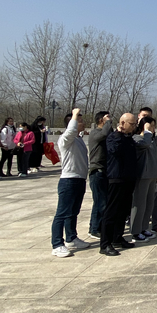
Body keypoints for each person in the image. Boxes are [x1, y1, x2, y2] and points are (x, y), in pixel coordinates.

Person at [51, 108, 91, 258]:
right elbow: (71, 131)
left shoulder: (78, 139)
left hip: (80, 179)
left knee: (73, 212)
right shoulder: (65, 139)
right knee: (62, 213)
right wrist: (74, 114)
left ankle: (71, 238)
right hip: (68, 180)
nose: (83, 123)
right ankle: (57, 244)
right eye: (80, 121)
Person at [100, 113, 139, 256]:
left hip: (128, 179)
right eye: (132, 124)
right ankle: (105, 244)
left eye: (135, 124)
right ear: (122, 123)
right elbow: (114, 151)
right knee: (111, 212)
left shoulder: (128, 139)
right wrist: (118, 133)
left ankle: (117, 237)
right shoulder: (113, 137)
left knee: (123, 211)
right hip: (116, 178)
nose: (134, 127)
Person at [131, 115, 157, 242]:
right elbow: (145, 144)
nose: (153, 128)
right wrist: (147, 131)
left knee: (149, 204)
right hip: (142, 176)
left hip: (152, 175)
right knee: (139, 204)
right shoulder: (138, 139)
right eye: (151, 126)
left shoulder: (150, 140)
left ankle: (144, 228)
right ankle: (135, 231)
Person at [87, 111, 112, 239]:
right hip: (97, 172)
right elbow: (104, 134)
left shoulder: (106, 133)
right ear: (101, 120)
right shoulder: (95, 133)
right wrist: (108, 122)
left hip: (105, 171)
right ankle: (95, 229)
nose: (110, 120)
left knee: (103, 201)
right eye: (107, 118)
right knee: (100, 202)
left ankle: (97, 226)